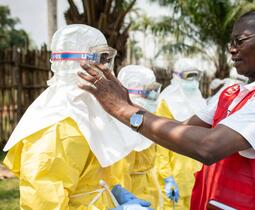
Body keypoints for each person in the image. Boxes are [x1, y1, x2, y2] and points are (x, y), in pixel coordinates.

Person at [77, 8, 255, 209]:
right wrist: (127, 104)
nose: (231, 49)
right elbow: (180, 130)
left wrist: (123, 110)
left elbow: (208, 146)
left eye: (239, 41)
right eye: (230, 42)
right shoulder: (232, 93)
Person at [3, 24, 151, 210]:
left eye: (108, 59)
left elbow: (87, 182)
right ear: (78, 62)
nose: (107, 69)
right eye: (102, 59)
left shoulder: (85, 115)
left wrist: (113, 196)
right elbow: (42, 205)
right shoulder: (58, 125)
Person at [155, 58, 206, 209]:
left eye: (196, 75)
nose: (193, 80)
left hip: (196, 176)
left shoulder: (200, 100)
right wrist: (166, 176)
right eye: (188, 76)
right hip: (174, 176)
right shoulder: (166, 102)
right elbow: (161, 144)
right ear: (177, 76)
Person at [117, 65, 163, 210]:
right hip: (127, 195)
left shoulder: (151, 118)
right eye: (149, 91)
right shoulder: (117, 129)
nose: (154, 95)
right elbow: (118, 174)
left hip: (149, 190)